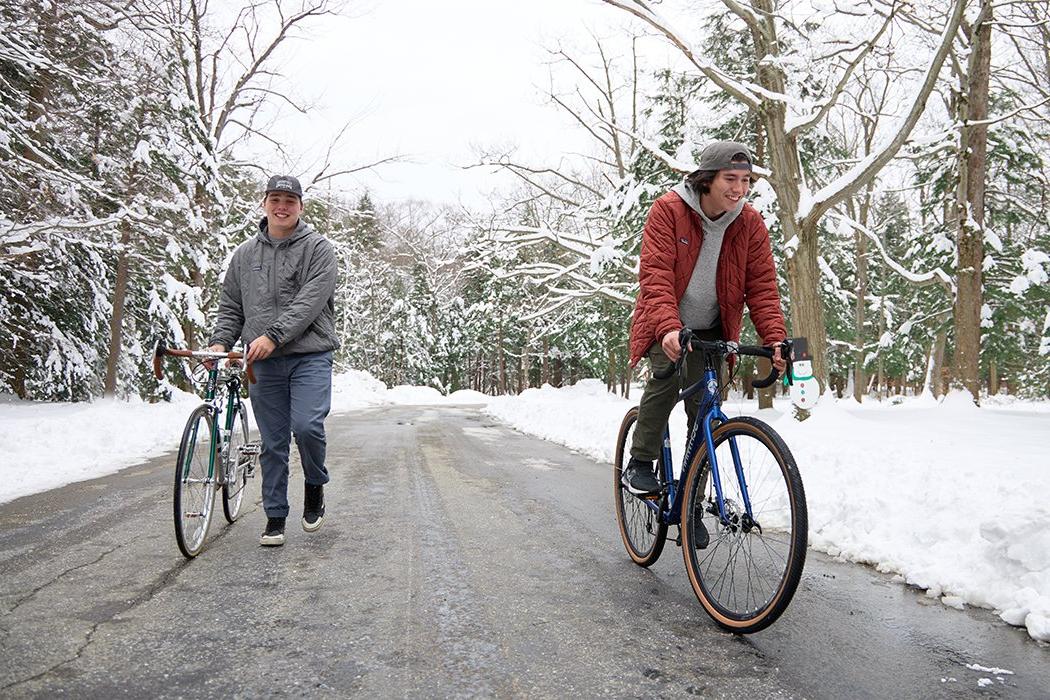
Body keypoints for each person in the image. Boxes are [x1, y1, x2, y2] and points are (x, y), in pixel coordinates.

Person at [622, 141, 787, 513]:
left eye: (746, 180)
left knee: (705, 409)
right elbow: (656, 275)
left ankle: (690, 504)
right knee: (666, 375)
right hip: (666, 319)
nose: (739, 189)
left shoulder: (750, 224)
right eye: (731, 178)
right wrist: (667, 328)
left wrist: (774, 338)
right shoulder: (669, 210)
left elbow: (762, 287)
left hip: (711, 328)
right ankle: (641, 461)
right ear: (707, 179)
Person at [208, 175, 338, 547]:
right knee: (273, 442)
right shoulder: (245, 255)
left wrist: (273, 336)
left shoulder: (318, 249)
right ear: (264, 202)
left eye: (290, 200)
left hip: (310, 355)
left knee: (308, 427)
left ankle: (315, 484)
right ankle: (275, 515)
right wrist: (220, 343)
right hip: (262, 362)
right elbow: (231, 305)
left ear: (301, 206)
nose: (282, 206)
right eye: (275, 199)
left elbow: (310, 302)